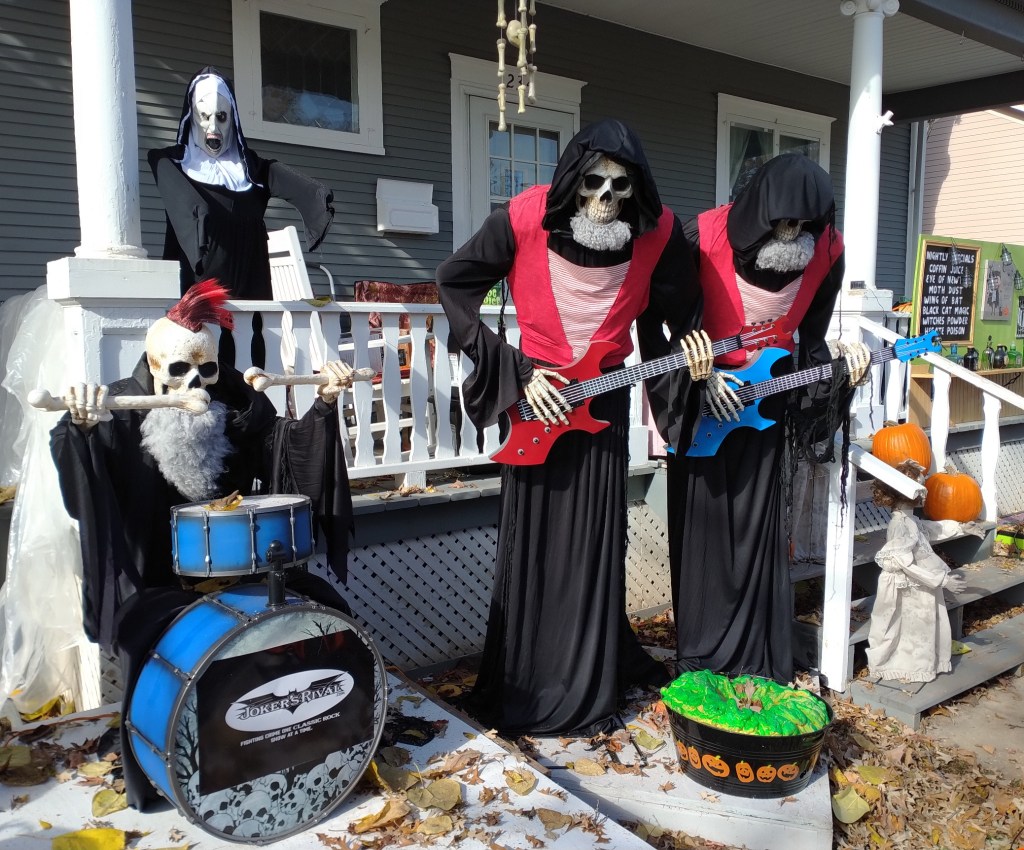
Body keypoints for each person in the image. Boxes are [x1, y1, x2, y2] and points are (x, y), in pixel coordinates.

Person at [436, 118, 711, 737]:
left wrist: (691, 341)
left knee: (594, 540)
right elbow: (454, 283)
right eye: (593, 183)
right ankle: (532, 678)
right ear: (571, 183)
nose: (606, 199)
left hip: (603, 406)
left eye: (620, 186)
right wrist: (514, 372)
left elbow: (682, 305)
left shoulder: (659, 231)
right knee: (536, 543)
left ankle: (587, 675)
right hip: (537, 402)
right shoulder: (522, 217)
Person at [49, 280, 354, 807]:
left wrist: (324, 405)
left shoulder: (232, 398)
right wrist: (80, 432)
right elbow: (88, 492)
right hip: (158, 576)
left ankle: (305, 729)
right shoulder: (120, 406)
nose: (196, 386)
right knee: (155, 637)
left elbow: (283, 447)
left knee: (324, 603)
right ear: (153, 366)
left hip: (244, 570)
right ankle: (174, 749)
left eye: (206, 370)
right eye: (178, 370)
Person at [648, 153, 869, 684]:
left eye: (804, 223)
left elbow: (812, 340)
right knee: (703, 532)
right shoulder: (700, 235)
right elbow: (655, 318)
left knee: (760, 533)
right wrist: (695, 374)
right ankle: (703, 655)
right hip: (706, 410)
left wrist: (841, 370)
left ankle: (755, 654)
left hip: (768, 409)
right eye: (783, 221)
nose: (793, 233)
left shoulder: (827, 251)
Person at [149, 67, 334, 300]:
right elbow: (188, 209)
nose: (213, 128)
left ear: (232, 118)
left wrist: (318, 201)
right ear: (192, 117)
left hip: (252, 302)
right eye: (204, 116)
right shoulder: (171, 163)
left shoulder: (252, 169)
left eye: (221, 117)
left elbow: (308, 192)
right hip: (199, 302)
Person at [865, 459, 970, 683]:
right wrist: (940, 580)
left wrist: (961, 527)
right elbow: (904, 563)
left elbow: (930, 530)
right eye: (920, 488)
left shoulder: (910, 520)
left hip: (919, 583)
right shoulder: (901, 525)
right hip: (910, 584)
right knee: (910, 627)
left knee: (920, 625)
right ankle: (909, 666)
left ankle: (921, 664)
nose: (925, 492)